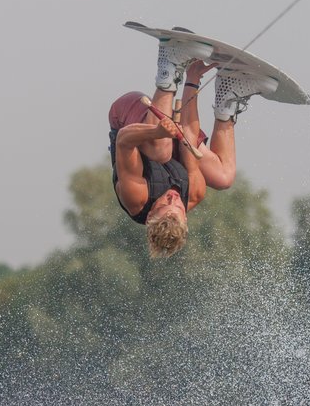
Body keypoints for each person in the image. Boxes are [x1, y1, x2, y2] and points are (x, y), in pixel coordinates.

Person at [109, 32, 279, 257]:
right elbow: (188, 136)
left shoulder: (136, 196)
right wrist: (193, 79)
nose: (174, 198)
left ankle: (168, 63)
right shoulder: (195, 194)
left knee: (160, 150)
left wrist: (157, 130)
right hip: (169, 137)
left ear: (150, 215)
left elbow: (123, 140)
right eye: (177, 208)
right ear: (185, 217)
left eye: (164, 205)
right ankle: (229, 90)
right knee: (223, 177)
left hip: (129, 118)